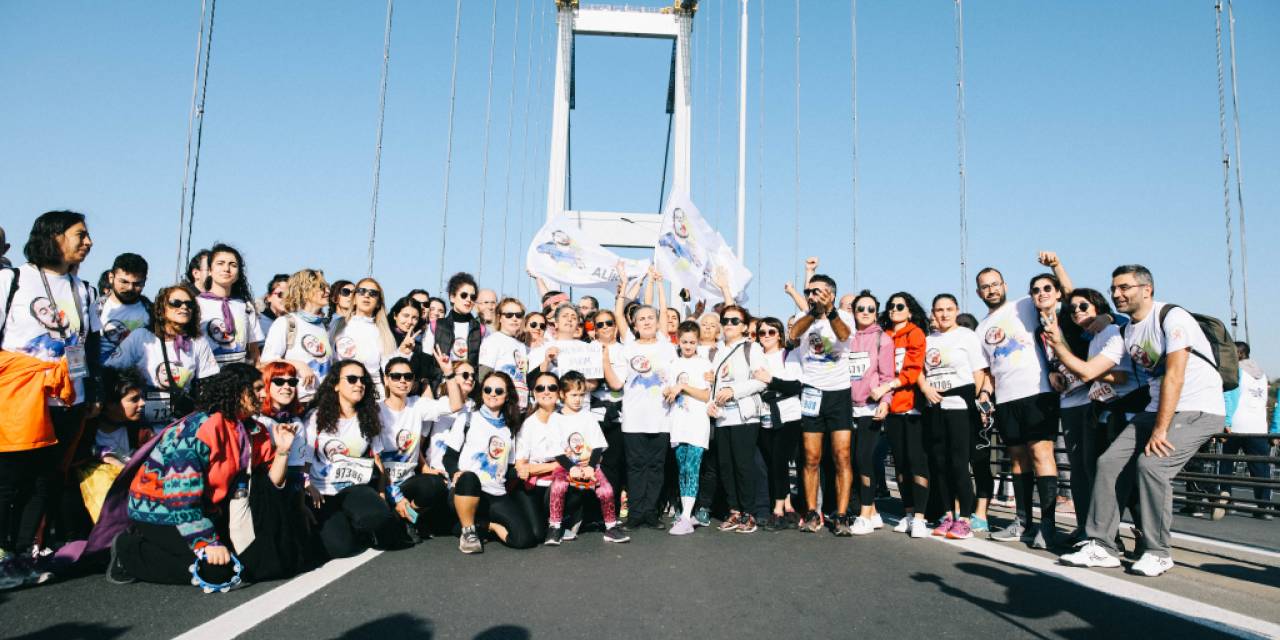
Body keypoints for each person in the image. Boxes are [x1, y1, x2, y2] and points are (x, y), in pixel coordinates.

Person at [1060, 265, 1226, 577]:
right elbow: (1087, 371)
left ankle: (1158, 551)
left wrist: (1160, 429)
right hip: (1155, 409)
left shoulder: (1173, 317)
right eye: (1113, 289)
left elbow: (1175, 376)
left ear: (1146, 289)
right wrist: (1059, 341)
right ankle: (1102, 545)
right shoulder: (1126, 330)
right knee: (1109, 463)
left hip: (1197, 407)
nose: (1117, 294)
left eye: (1125, 287)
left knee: (1152, 465)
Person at [106, 363, 296, 586]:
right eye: (256, 389)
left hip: (208, 509)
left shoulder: (253, 429)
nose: (264, 394)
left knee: (248, 563)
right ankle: (128, 552)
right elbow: (180, 498)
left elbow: (269, 485)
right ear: (237, 392)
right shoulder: (198, 431)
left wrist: (283, 451)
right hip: (161, 509)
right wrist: (206, 542)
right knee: (218, 573)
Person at [0, 210, 102, 548]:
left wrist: (94, 393)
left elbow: (91, 345)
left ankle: (24, 552)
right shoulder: (11, 280)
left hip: (69, 397)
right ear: (53, 236)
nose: (88, 242)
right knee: (10, 478)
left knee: (47, 479)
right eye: (80, 235)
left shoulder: (85, 290)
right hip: (19, 396)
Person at [975, 258, 1065, 549]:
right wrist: (985, 396)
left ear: (1004, 286)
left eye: (995, 284)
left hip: (1037, 391)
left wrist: (1057, 266)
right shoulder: (980, 329)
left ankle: (1048, 525)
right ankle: (1023, 522)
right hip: (1006, 399)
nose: (991, 290)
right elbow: (988, 371)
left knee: (1041, 454)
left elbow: (1064, 292)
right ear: (979, 293)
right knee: (1017, 459)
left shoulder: (1024, 304)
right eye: (985, 287)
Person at [1041, 287, 1139, 537]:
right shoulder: (1092, 337)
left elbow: (1121, 375)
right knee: (1093, 470)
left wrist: (1088, 370)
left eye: (1083, 306)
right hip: (1102, 411)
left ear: (1099, 307)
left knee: (1122, 475)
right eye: (1072, 308)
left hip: (1124, 409)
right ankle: (1101, 534)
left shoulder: (1112, 330)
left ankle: (1137, 536)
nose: (1077, 312)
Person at [302, 360, 402, 559]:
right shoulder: (316, 417)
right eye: (352, 379)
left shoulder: (369, 416)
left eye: (363, 380)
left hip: (355, 488)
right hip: (323, 492)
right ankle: (349, 526)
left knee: (379, 517)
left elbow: (377, 459)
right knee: (341, 549)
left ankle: (363, 523)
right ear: (336, 385)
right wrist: (306, 484)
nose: (359, 384)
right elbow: (305, 459)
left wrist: (382, 494)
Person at [445, 371, 540, 553]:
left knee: (525, 539)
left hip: (496, 493)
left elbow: (508, 467)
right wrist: (453, 472)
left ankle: (487, 526)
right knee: (470, 477)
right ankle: (468, 533)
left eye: (499, 390)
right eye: (488, 389)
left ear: (507, 396)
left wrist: (523, 470)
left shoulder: (509, 428)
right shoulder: (468, 419)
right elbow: (448, 456)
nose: (493, 393)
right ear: (482, 392)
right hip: (466, 490)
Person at [788, 274, 853, 533]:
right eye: (809, 291)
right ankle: (813, 511)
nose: (813, 295)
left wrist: (830, 311)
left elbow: (844, 335)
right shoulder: (805, 318)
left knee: (842, 456)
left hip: (839, 393)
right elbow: (793, 334)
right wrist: (813, 312)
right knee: (811, 457)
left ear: (832, 294)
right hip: (812, 393)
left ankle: (841, 514)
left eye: (819, 292)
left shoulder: (844, 317)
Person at [105, 283, 219, 431]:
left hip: (180, 425)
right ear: (161, 308)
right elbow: (110, 371)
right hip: (141, 424)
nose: (184, 307)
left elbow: (208, 383)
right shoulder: (142, 337)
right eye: (176, 303)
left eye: (189, 304)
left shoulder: (197, 342)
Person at [920, 293, 988, 541]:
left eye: (949, 309)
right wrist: (926, 388)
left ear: (957, 310)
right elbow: (917, 371)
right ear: (933, 313)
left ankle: (965, 519)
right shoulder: (927, 340)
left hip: (960, 406)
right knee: (939, 463)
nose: (944, 314)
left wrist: (977, 401)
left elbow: (978, 372)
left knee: (959, 463)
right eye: (939, 309)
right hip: (935, 407)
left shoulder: (967, 336)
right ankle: (948, 514)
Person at [604, 305, 676, 529]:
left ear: (657, 322)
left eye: (650, 318)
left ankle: (651, 512)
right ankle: (635, 513)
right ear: (634, 324)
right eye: (641, 319)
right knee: (635, 466)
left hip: (661, 416)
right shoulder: (628, 348)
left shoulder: (668, 348)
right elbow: (616, 383)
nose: (646, 322)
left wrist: (671, 388)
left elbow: (675, 379)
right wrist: (604, 358)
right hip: (634, 417)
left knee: (656, 466)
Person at [377, 355, 463, 542]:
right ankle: (396, 515)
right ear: (386, 379)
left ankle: (406, 515)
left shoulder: (417, 404)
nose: (402, 381)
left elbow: (455, 405)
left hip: (408, 481)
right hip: (383, 484)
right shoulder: (376, 411)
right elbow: (375, 458)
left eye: (408, 377)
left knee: (435, 484)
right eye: (396, 376)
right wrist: (394, 495)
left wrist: (448, 373)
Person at [875, 292, 930, 538]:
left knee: (915, 460)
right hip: (891, 408)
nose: (894, 309)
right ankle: (907, 513)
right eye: (890, 306)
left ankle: (920, 517)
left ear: (909, 311)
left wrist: (888, 386)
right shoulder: (883, 336)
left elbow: (912, 369)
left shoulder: (915, 333)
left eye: (900, 306)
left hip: (913, 406)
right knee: (899, 462)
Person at [707, 305, 766, 533]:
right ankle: (734, 511)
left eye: (734, 321)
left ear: (743, 326)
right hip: (723, 417)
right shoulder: (717, 350)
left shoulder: (752, 349)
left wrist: (734, 391)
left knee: (744, 465)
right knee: (726, 466)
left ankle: (749, 513)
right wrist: (710, 404)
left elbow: (762, 381)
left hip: (744, 415)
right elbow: (713, 385)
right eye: (726, 320)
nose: (729, 324)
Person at [842, 292, 895, 535]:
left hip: (870, 408)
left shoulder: (882, 339)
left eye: (870, 309)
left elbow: (887, 376)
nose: (865, 312)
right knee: (852, 461)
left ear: (877, 312)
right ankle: (872, 511)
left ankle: (863, 514)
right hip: (845, 408)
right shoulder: (846, 336)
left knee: (865, 460)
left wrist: (885, 401)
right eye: (860, 308)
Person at [751, 316, 804, 531]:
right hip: (765, 416)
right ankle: (789, 506)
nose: (766, 336)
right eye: (761, 333)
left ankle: (778, 510)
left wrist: (771, 381)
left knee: (780, 462)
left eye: (771, 332)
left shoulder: (788, 355)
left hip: (788, 415)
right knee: (772, 462)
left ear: (780, 334)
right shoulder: (755, 357)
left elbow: (796, 386)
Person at [664, 321, 713, 535]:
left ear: (698, 341)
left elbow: (705, 395)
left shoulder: (704, 364)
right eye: (684, 341)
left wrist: (683, 387)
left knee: (692, 468)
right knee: (682, 469)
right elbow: (667, 393)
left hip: (697, 423)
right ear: (678, 340)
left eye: (692, 342)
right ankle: (686, 513)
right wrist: (669, 391)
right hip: (678, 423)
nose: (688, 345)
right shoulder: (672, 363)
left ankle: (685, 516)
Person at [261, 269, 334, 403]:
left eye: (327, 287)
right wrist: (298, 365)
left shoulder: (322, 326)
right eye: (321, 287)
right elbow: (266, 360)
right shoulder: (286, 322)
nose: (327, 291)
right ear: (304, 291)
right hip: (298, 402)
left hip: (324, 402)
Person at [1217, 342, 1272, 520]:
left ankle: (1228, 502)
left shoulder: (1236, 370)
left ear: (1239, 354)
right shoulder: (1262, 374)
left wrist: (1225, 421)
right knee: (1260, 469)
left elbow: (1228, 395)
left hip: (1236, 426)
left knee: (1226, 465)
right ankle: (1264, 507)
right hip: (1258, 427)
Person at [330, 278, 403, 397]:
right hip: (339, 392)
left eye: (373, 293)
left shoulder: (383, 333)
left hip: (371, 394)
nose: (367, 295)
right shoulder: (337, 325)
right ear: (354, 299)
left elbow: (390, 370)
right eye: (361, 291)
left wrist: (404, 353)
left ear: (378, 302)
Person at [196, 243, 264, 367]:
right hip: (208, 377)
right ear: (210, 270)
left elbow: (254, 352)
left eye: (233, 265)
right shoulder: (196, 304)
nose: (226, 269)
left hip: (240, 377)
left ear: (238, 274)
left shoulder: (246, 306)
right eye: (220, 263)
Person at [255, 362, 309, 492]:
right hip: (256, 487)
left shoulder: (296, 423)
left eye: (292, 382)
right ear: (266, 385)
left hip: (283, 488)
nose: (287, 387)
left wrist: (306, 484)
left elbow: (296, 469)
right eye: (279, 381)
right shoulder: (255, 420)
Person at [96, 253, 150, 362]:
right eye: (124, 282)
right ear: (111, 277)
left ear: (145, 281)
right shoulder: (95, 308)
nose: (130, 288)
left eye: (137, 284)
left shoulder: (152, 312)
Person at [478, 298, 530, 409]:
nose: (514, 318)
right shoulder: (493, 340)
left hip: (519, 407)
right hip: (499, 406)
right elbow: (483, 376)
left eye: (518, 315)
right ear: (500, 317)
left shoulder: (521, 346)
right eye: (509, 315)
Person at [433, 272, 485, 368]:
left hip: (468, 381)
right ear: (452, 297)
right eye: (464, 295)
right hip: (443, 381)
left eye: (473, 297)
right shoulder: (435, 326)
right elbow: (426, 362)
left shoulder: (481, 329)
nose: (469, 299)